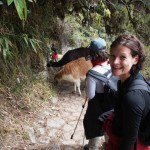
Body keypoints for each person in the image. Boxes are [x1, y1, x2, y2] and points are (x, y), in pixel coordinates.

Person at [103, 34, 150, 150]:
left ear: (135, 59)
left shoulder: (133, 97)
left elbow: (129, 141)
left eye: (123, 57)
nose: (115, 62)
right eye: (113, 56)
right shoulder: (131, 79)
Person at [83, 38, 112, 150]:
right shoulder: (112, 66)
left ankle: (93, 147)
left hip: (98, 109)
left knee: (94, 126)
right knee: (109, 131)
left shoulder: (93, 73)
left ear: (92, 54)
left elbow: (90, 96)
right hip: (111, 107)